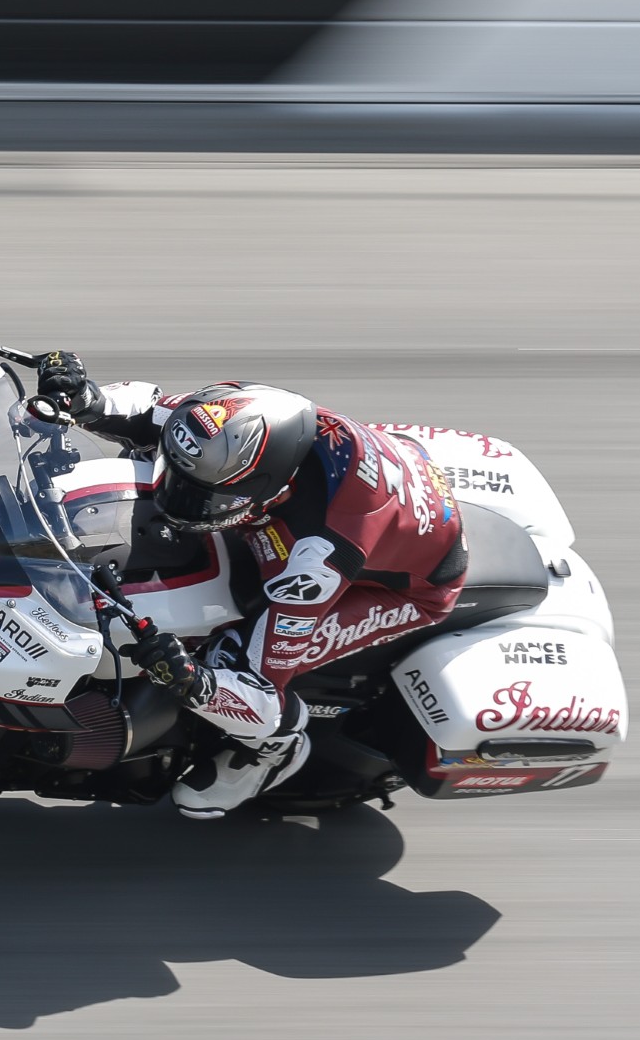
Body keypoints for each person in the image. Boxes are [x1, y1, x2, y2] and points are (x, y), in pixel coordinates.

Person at [34, 350, 468, 818]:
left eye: (201, 496)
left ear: (271, 489)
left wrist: (193, 680)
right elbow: (151, 411)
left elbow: (262, 691)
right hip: (379, 491)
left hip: (402, 589)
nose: (173, 497)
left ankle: (275, 752)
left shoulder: (316, 560)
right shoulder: (235, 410)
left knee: (224, 656)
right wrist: (81, 396)